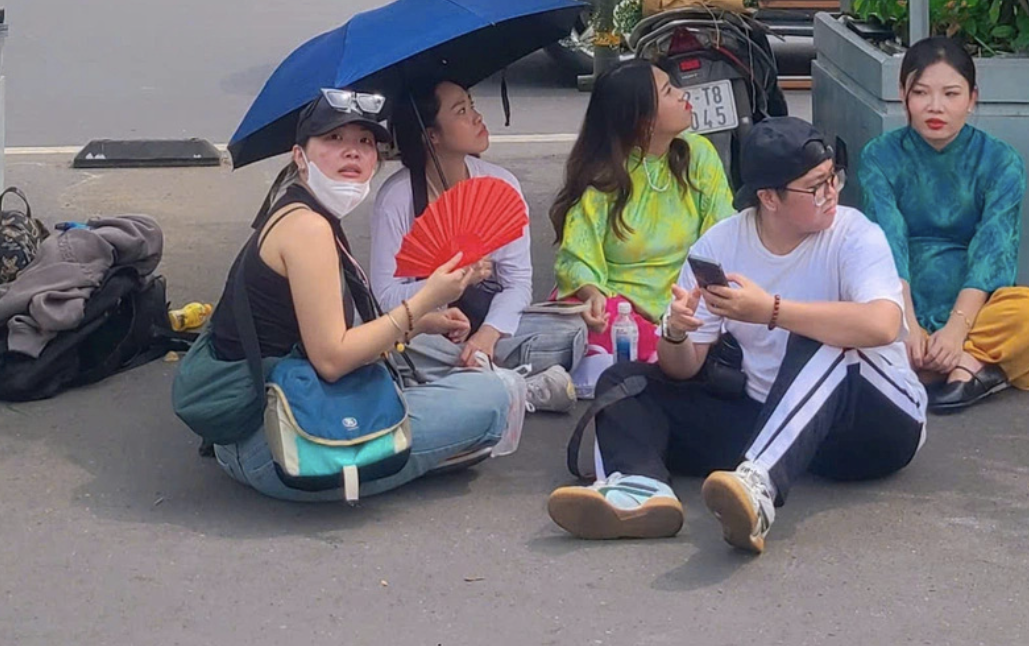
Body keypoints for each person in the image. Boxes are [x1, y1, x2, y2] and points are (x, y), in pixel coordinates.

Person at [548, 118, 926, 554]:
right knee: (625, 381)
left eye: (833, 178)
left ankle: (759, 487)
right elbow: (684, 368)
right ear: (769, 198)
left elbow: (882, 325)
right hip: (769, 417)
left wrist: (772, 311)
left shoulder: (854, 233)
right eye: (815, 186)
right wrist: (675, 333)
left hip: (874, 424)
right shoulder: (721, 244)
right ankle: (640, 490)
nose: (832, 193)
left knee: (825, 340)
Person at [206, 90, 516, 502]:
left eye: (365, 142)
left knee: (434, 366)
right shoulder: (308, 230)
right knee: (492, 397)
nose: (352, 152)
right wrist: (426, 300)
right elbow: (333, 360)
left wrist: (422, 323)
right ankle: (399, 455)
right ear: (300, 156)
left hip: (275, 411)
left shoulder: (305, 212)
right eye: (333, 139)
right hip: (280, 444)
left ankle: (410, 448)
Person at [854, 37, 1029, 411]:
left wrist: (955, 330)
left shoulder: (1001, 161)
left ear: (972, 98)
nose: (935, 107)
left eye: (951, 94)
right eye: (921, 92)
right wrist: (906, 324)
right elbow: (887, 242)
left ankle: (961, 360)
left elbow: (993, 251)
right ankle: (964, 368)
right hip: (896, 300)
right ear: (902, 94)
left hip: (975, 309)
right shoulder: (880, 156)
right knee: (837, 311)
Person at [368, 79, 581, 406]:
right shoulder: (398, 199)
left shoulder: (500, 183)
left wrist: (488, 335)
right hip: (427, 330)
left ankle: (466, 384)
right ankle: (515, 389)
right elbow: (385, 298)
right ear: (432, 135)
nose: (477, 117)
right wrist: (447, 284)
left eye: (472, 105)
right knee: (385, 344)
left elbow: (517, 282)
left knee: (572, 331)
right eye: (461, 111)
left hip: (489, 324)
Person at [551, 61, 732, 360]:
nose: (682, 94)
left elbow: (722, 231)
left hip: (687, 301)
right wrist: (592, 294)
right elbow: (577, 255)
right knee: (596, 321)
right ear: (643, 120)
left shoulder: (698, 154)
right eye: (669, 91)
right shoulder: (604, 177)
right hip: (620, 306)